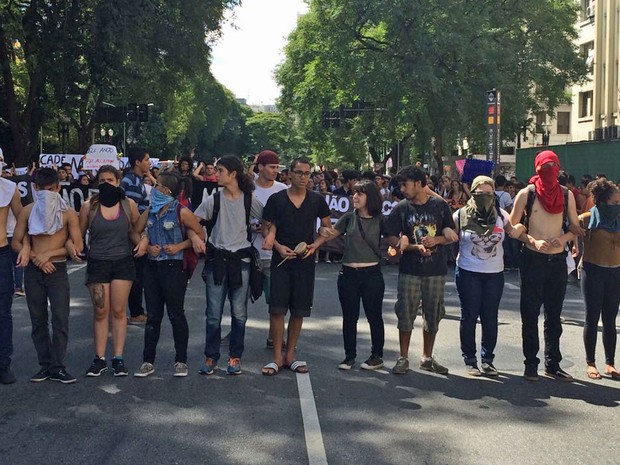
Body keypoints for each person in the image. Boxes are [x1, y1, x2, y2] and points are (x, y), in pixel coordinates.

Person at [509, 150, 582, 382]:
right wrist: (531, 240)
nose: (550, 171)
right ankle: (531, 364)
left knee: (554, 315)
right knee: (529, 315)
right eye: (545, 167)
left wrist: (562, 240)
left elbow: (576, 227)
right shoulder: (526, 194)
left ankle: (553, 364)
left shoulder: (567, 195)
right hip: (532, 259)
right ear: (537, 169)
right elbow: (512, 227)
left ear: (558, 168)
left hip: (557, 260)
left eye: (553, 166)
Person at [260, 157, 331, 375]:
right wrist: (278, 246)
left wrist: (316, 244)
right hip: (281, 260)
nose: (303, 177)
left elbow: (327, 228)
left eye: (307, 173)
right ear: (289, 174)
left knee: (299, 310)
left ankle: (290, 355)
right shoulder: (277, 199)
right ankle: (277, 358)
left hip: (305, 262)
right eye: (299, 173)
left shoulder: (317, 200)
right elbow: (266, 228)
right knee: (277, 309)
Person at [384, 165, 457, 375]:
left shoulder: (440, 206)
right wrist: (407, 245)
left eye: (404, 184)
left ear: (418, 182)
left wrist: (437, 239)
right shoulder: (401, 208)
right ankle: (403, 357)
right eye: (400, 185)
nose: (402, 189)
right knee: (405, 312)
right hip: (409, 270)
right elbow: (388, 234)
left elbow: (451, 233)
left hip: (436, 270)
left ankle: (427, 357)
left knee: (433, 314)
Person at [12, 168, 83, 384]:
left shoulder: (68, 213)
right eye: (41, 189)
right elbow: (16, 240)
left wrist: (49, 254)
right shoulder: (28, 211)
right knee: (38, 319)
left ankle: (57, 365)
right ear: (35, 188)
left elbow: (78, 245)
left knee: (60, 318)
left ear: (58, 188)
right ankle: (44, 365)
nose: (46, 193)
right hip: (34, 270)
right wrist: (33, 255)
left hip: (57, 268)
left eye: (50, 189)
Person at [194, 156, 262, 376]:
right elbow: (192, 221)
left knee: (239, 313)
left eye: (221, 170)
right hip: (217, 261)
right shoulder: (213, 199)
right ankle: (211, 356)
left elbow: (269, 220)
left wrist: (268, 233)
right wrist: (196, 237)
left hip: (241, 262)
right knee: (213, 313)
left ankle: (235, 357)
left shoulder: (249, 200)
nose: (217, 174)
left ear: (233, 174)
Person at [134, 172, 205, 378]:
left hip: (174, 267)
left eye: (156, 186)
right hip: (152, 267)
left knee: (176, 314)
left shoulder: (181, 212)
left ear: (166, 191)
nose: (153, 189)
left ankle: (181, 360)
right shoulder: (149, 212)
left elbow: (199, 233)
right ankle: (148, 361)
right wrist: (146, 246)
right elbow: (135, 231)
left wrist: (179, 246)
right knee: (153, 316)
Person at [78, 166, 146, 377]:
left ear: (118, 181)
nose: (106, 183)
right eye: (102, 180)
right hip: (98, 263)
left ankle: (118, 358)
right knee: (100, 312)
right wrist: (72, 247)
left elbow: (135, 231)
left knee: (118, 311)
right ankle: (99, 359)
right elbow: (78, 235)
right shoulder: (88, 207)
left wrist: (143, 241)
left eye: (110, 179)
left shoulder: (128, 204)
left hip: (122, 263)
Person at [320, 180, 386, 371]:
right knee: (349, 317)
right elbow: (331, 234)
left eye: (360, 194)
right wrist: (321, 230)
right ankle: (349, 356)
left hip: (372, 274)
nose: (354, 197)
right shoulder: (349, 218)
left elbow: (393, 236)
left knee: (374, 316)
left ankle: (377, 356)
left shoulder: (380, 219)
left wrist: (401, 241)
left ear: (370, 197)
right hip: (347, 273)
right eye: (354, 193)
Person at [453, 176, 513, 376]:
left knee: (490, 317)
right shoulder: (460, 215)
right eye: (479, 194)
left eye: (488, 194)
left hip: (494, 274)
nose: (484, 197)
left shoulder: (501, 216)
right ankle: (469, 359)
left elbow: (514, 232)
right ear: (472, 193)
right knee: (469, 316)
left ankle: (487, 359)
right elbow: (449, 235)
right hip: (468, 271)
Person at [578, 179, 620, 380]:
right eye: (614, 202)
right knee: (592, 319)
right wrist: (576, 250)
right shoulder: (586, 220)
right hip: (593, 272)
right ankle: (591, 363)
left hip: (615, 273)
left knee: (610, 320)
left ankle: (610, 363)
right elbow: (570, 232)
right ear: (602, 202)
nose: (617, 206)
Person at [250, 151, 288, 349]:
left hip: (274, 254)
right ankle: (233, 333)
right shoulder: (248, 189)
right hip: (249, 253)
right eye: (272, 167)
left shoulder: (283, 190)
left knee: (276, 301)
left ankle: (275, 337)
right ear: (261, 167)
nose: (275, 171)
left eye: (277, 167)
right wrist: (251, 225)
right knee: (238, 298)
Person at [121, 147, 153, 324]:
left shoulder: (136, 180)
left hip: (137, 233)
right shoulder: (132, 182)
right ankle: (136, 312)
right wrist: (139, 237)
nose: (149, 163)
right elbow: (131, 212)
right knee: (136, 276)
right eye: (147, 159)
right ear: (137, 162)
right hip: (134, 235)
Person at [0, 164, 23, 384]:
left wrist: (23, 244)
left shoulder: (9, 188)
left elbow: (21, 218)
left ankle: (3, 364)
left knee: (3, 312)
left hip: (1, 253)